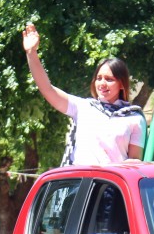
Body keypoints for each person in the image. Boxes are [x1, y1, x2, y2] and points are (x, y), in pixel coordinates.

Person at [22, 23, 146, 165]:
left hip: (111, 185)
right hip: (80, 183)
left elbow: (135, 161)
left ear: (122, 84)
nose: (102, 83)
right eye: (99, 78)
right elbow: (47, 89)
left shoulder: (134, 118)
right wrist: (32, 53)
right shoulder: (84, 107)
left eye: (109, 79)